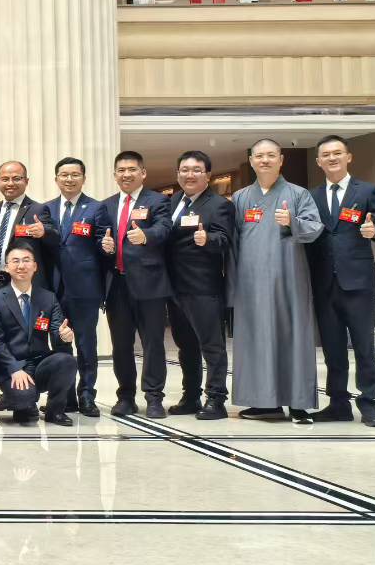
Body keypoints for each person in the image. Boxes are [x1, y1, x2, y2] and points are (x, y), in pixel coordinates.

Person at [231, 140, 324, 422]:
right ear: (251, 161)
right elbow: (232, 241)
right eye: (259, 156)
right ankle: (263, 402)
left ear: (281, 160)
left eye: (271, 155)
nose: (265, 160)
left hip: (289, 278)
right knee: (255, 338)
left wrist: (292, 221)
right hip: (251, 282)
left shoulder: (298, 194)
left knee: (293, 335)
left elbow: (314, 228)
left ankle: (297, 402)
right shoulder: (240, 198)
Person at [306, 134, 375, 426]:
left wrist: (374, 232)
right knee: (332, 350)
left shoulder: (367, 191)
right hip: (323, 284)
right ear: (319, 162)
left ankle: (369, 404)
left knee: (364, 347)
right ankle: (338, 404)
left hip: (357, 284)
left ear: (348, 157)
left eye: (337, 153)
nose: (332, 158)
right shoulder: (311, 196)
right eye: (326, 155)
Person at [164, 150, 238, 420]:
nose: (190, 175)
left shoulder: (219, 205)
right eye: (184, 170)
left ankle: (216, 399)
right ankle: (191, 396)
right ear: (178, 174)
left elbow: (225, 240)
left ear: (208, 175)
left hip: (203, 287)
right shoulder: (173, 201)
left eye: (196, 170)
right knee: (186, 346)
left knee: (212, 346)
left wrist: (208, 240)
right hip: (174, 288)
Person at [98, 151, 173, 418]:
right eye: (121, 170)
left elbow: (165, 228)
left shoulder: (158, 200)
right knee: (121, 345)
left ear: (143, 173)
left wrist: (146, 235)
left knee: (153, 343)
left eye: (132, 169)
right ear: (114, 175)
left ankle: (154, 398)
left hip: (149, 285)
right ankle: (126, 396)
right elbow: (101, 236)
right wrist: (105, 245)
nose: (126, 174)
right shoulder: (106, 205)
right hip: (116, 285)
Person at [0, 242, 78, 426]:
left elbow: (57, 331)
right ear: (7, 267)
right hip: (12, 366)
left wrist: (64, 336)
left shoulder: (48, 298)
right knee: (24, 404)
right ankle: (16, 399)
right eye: (15, 261)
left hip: (40, 363)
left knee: (67, 360)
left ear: (35, 266)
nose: (21, 265)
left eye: (26, 260)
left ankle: (55, 411)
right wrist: (14, 369)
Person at [41, 156, 110, 418]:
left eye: (75, 175)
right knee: (59, 343)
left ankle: (87, 395)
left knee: (86, 344)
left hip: (85, 289)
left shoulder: (96, 208)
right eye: (64, 175)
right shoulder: (46, 209)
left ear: (83, 178)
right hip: (53, 290)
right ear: (56, 178)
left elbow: (103, 242)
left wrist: (107, 247)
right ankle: (65, 397)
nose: (69, 179)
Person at [0, 160, 56, 296]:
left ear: (26, 181)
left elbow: (55, 239)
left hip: (23, 282)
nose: (10, 183)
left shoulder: (38, 210)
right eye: (5, 179)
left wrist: (44, 232)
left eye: (16, 178)